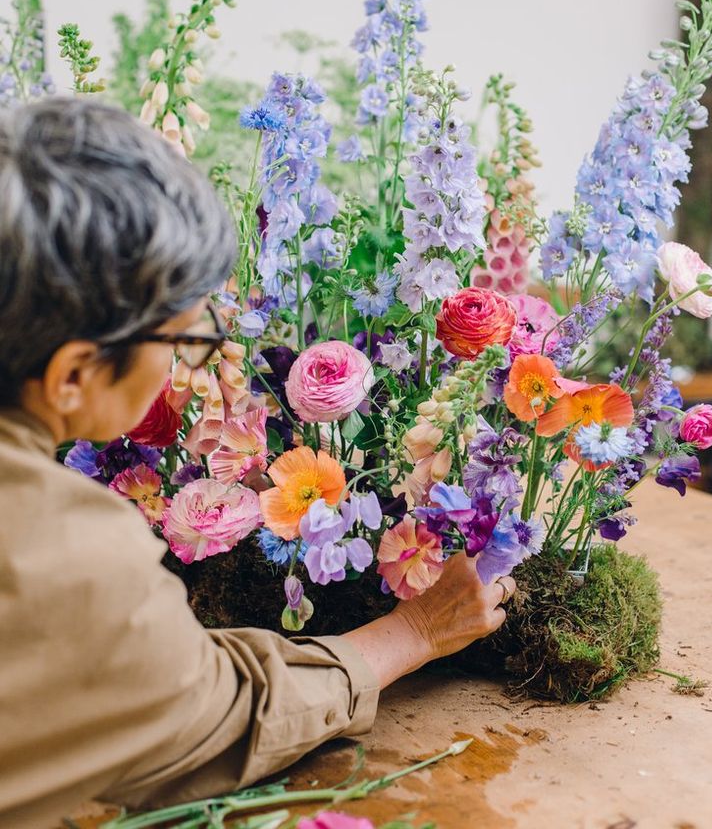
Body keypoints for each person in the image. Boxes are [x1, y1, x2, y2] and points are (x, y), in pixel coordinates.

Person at [0, 98, 515, 829]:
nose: (190, 363)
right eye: (181, 340)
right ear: (74, 376)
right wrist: (416, 633)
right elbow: (208, 714)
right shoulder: (55, 543)